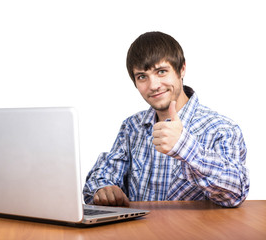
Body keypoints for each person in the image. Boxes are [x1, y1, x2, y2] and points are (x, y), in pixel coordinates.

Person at [83, 31, 249, 208]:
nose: (153, 86)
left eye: (161, 71)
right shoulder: (132, 126)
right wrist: (103, 189)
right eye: (142, 77)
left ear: (182, 69)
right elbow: (100, 179)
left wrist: (185, 147)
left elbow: (236, 193)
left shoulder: (222, 129)